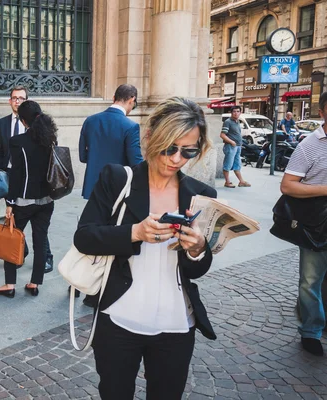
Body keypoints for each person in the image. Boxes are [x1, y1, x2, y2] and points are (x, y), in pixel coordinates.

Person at [74, 97, 217, 399]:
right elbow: (84, 237)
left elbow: (197, 269)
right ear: (151, 136)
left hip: (177, 324)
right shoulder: (117, 179)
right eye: (169, 147)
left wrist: (198, 248)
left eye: (188, 150)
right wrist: (134, 232)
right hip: (119, 319)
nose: (177, 158)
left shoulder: (201, 195)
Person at [0, 101, 56, 298]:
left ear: (23, 120)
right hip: (46, 200)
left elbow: (17, 175)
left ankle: (10, 284)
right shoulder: (51, 138)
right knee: (40, 241)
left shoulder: (17, 141)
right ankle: (34, 282)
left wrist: (10, 203)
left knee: (12, 239)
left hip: (23, 201)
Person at [279, 92, 327, 357]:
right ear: (322, 112)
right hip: (318, 223)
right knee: (311, 280)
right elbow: (287, 186)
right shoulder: (309, 145)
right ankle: (311, 331)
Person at [79, 84, 143, 200]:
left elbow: (83, 157)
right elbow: (135, 162)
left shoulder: (90, 121)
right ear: (132, 100)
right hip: (119, 186)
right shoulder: (131, 126)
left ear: (114, 98)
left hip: (93, 186)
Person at [220, 105, 251, 188]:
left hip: (237, 147)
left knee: (237, 165)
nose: (236, 113)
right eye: (234, 111)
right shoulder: (228, 122)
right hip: (230, 146)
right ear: (231, 113)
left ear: (240, 113)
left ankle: (241, 181)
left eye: (238, 111)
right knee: (228, 165)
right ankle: (227, 182)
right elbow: (222, 135)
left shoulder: (237, 122)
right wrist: (231, 142)